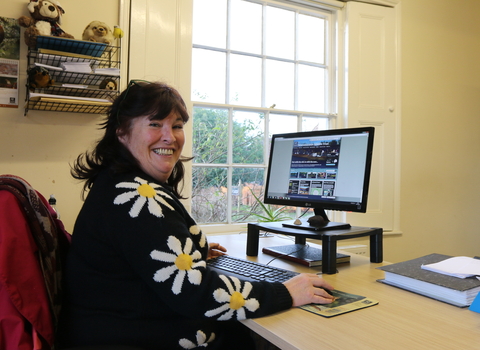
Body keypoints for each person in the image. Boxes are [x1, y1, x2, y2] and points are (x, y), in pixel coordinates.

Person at [58, 81, 334, 350]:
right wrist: (285, 292)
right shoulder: (137, 198)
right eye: (155, 124)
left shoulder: (119, 184)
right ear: (122, 132)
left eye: (177, 126)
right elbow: (196, 293)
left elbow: (148, 252)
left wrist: (193, 252)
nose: (170, 136)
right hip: (132, 339)